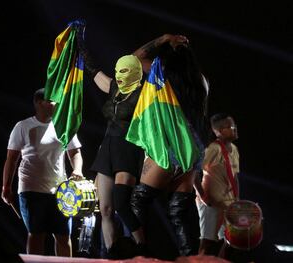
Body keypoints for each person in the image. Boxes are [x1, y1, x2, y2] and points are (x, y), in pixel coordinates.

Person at [79, 33, 193, 258]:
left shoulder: (145, 92)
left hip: (128, 148)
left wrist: (162, 41)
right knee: (105, 209)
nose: (120, 74)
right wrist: (79, 46)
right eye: (118, 70)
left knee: (122, 203)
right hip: (108, 148)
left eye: (125, 71)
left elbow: (135, 59)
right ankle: (111, 254)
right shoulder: (114, 88)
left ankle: (142, 247)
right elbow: (93, 70)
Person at [127, 34, 210, 256]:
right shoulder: (201, 81)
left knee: (137, 202)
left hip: (167, 148)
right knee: (178, 212)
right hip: (191, 151)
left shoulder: (160, 73)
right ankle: (189, 258)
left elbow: (132, 59)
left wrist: (163, 39)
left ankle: (138, 255)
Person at [1, 88, 83, 257]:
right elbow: (11, 159)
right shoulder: (23, 126)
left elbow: (75, 153)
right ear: (39, 103)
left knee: (63, 236)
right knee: (36, 235)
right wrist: (6, 187)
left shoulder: (63, 124)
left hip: (60, 190)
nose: (55, 104)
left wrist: (77, 169)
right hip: (31, 190)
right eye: (52, 100)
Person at [196, 113, 239, 256]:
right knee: (207, 243)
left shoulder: (234, 150)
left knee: (229, 241)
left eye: (234, 125)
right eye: (230, 126)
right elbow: (194, 173)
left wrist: (236, 201)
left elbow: (234, 177)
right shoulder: (214, 149)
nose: (234, 128)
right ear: (219, 131)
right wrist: (203, 197)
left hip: (227, 203)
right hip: (211, 202)